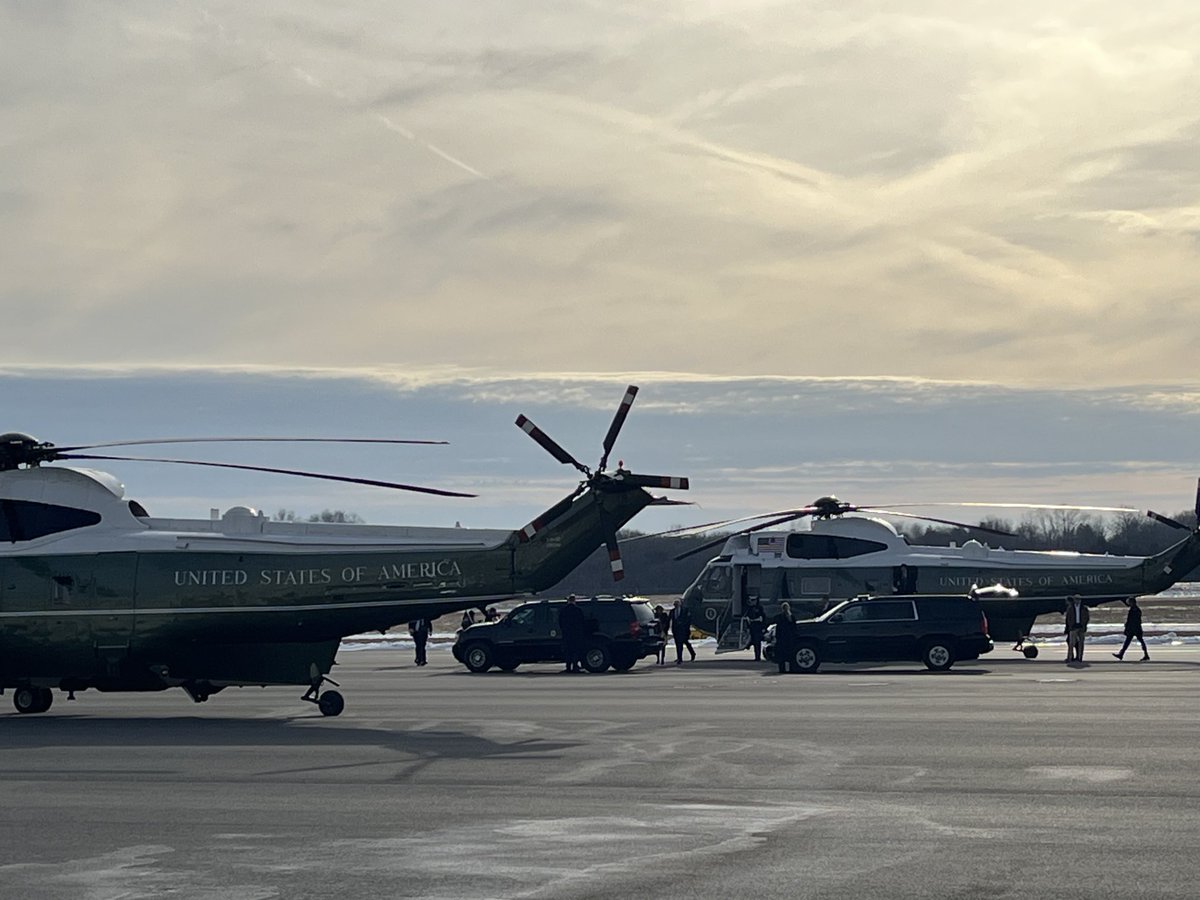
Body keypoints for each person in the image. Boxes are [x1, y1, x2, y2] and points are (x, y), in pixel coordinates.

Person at [558, 594, 587, 673]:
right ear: (574, 601)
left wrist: (564, 630)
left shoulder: (563, 610)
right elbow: (582, 622)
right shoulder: (578, 610)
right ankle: (575, 666)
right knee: (576, 651)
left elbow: (560, 622)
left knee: (568, 651)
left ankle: (568, 667)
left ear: (568, 601)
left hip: (567, 634)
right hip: (576, 634)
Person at [669, 599, 696, 665]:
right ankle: (679, 658)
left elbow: (688, 620)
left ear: (680, 604)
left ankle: (692, 653)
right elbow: (669, 621)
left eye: (677, 604)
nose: (676, 605)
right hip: (676, 631)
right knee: (678, 645)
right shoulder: (672, 611)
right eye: (675, 604)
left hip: (684, 630)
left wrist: (685, 626)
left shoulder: (685, 610)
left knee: (686, 643)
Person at [1064, 595, 1089, 663]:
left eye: (1079, 599)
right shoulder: (1070, 608)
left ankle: (1080, 658)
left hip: (1081, 627)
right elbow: (1068, 618)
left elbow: (1086, 617)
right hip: (1073, 627)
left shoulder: (1084, 608)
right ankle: (1069, 658)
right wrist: (1070, 626)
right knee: (1071, 643)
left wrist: (1084, 625)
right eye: (1076, 599)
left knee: (1081, 643)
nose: (1077, 601)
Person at [774, 601, 797, 673]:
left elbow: (778, 628)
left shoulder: (780, 617)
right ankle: (791, 669)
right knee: (790, 655)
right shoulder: (791, 617)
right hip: (789, 638)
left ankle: (782, 669)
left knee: (782, 656)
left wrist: (777, 638)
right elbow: (794, 628)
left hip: (782, 638)